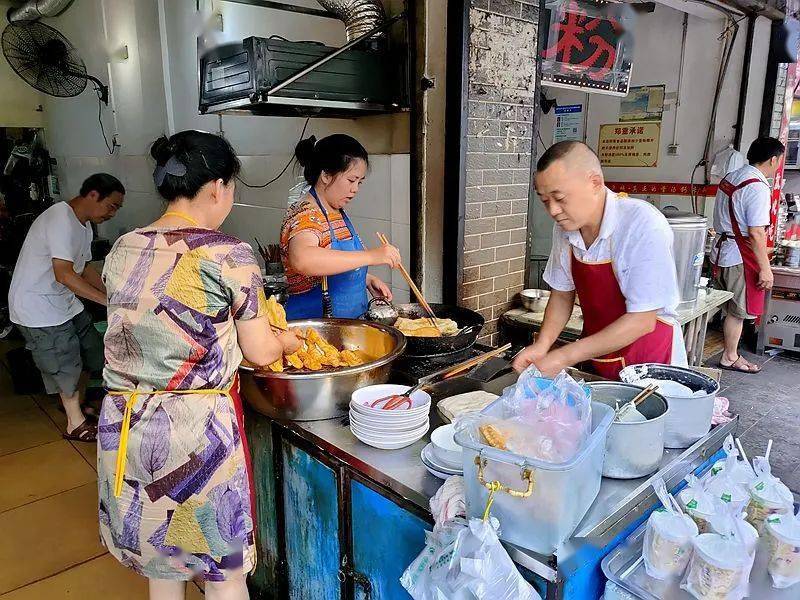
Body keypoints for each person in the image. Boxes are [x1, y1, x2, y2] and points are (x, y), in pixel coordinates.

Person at [98, 131, 299, 600]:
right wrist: (288, 337)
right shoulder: (226, 254)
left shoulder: (124, 246)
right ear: (218, 188)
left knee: (165, 566)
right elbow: (261, 352)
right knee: (221, 573)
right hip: (193, 438)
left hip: (127, 428)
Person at [513, 141, 686, 379]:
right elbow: (562, 294)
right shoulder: (566, 229)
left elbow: (642, 321)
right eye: (545, 200)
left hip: (650, 361)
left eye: (560, 198)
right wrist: (543, 346)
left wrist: (564, 356)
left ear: (595, 183)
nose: (553, 210)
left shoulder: (641, 223)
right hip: (598, 354)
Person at [8, 173, 124, 442]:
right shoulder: (61, 218)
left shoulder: (83, 227)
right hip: (38, 307)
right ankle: (75, 422)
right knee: (64, 362)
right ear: (93, 195)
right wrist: (107, 302)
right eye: (112, 206)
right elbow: (64, 274)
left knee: (93, 350)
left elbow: (83, 270)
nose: (113, 213)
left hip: (63, 302)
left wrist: (115, 296)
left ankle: (77, 402)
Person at [280, 134, 401, 319]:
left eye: (359, 182)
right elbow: (303, 259)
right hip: (315, 332)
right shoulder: (307, 214)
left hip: (346, 328)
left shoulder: (335, 211)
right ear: (326, 175)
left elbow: (328, 268)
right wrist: (371, 256)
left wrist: (363, 279)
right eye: (351, 180)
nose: (355, 189)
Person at [711, 137, 783, 374]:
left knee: (724, 306)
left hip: (720, 251)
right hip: (737, 256)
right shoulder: (756, 185)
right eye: (779, 160)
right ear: (773, 159)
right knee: (737, 311)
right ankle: (730, 357)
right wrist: (765, 268)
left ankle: (726, 353)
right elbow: (755, 233)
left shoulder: (731, 177)